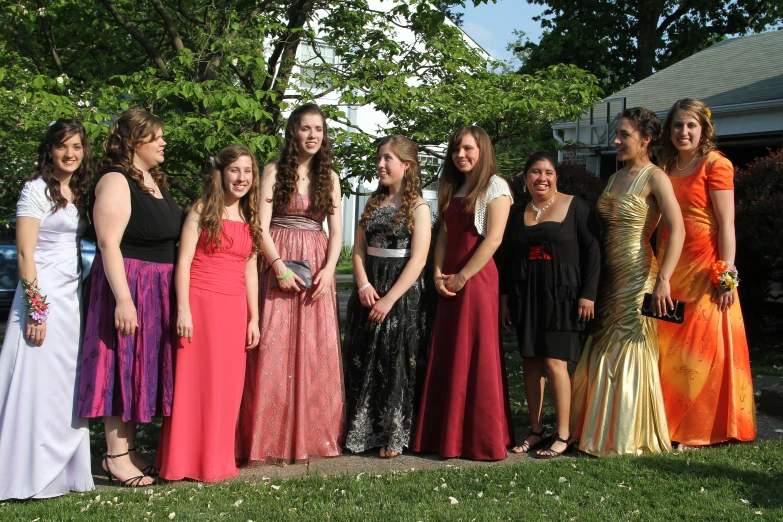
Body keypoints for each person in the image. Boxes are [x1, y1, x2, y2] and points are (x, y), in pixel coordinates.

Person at [570, 107, 685, 457]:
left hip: (638, 274)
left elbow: (677, 229)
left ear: (646, 139)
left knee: (630, 345)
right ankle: (592, 428)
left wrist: (663, 279)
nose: (616, 141)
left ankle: (625, 434)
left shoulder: (656, 177)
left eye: (624, 135)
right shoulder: (613, 178)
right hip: (608, 275)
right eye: (616, 134)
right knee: (603, 344)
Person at [77, 109, 182, 487]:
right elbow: (108, 243)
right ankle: (115, 456)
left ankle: (131, 449)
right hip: (129, 284)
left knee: (140, 367)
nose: (163, 142)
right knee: (119, 366)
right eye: (155, 136)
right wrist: (124, 298)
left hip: (157, 286)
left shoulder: (153, 180)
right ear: (134, 141)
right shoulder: (116, 180)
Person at [237, 103, 344, 464]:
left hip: (316, 264)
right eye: (305, 128)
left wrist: (330, 268)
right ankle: (268, 438)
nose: (312, 135)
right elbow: (260, 227)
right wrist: (279, 266)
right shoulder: (272, 172)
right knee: (274, 348)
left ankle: (310, 436)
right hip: (279, 261)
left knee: (315, 351)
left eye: (318, 129)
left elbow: (338, 232)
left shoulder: (330, 177)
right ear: (293, 132)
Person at [0, 120, 95, 499]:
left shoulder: (79, 191)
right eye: (62, 147)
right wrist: (37, 311)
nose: (70, 154)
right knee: (35, 383)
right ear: (49, 151)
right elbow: (25, 253)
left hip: (71, 299)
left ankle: (63, 469)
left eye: (76, 147)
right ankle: (25, 470)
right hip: (40, 299)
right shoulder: (35, 189)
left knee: (63, 384)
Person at [157, 146, 262, 481]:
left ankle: (216, 459)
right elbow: (183, 262)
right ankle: (183, 461)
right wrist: (183, 309)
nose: (242, 178)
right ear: (222, 173)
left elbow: (249, 270)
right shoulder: (202, 209)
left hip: (234, 309)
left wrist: (254, 317)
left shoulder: (251, 215)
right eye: (235, 170)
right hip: (200, 304)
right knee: (194, 384)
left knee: (226, 387)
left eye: (248, 171)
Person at [656, 98, 756, 449]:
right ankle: (667, 423)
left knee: (701, 348)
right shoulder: (665, 164)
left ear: (703, 129)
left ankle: (697, 429)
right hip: (670, 265)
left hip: (705, 270)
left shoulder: (717, 164)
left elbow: (727, 224)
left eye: (690, 126)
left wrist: (726, 276)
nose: (684, 132)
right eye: (678, 126)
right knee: (670, 347)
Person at [411, 125, 515, 461]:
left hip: (478, 278)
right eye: (456, 150)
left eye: (468, 149)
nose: (461, 155)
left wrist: (463, 277)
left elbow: (494, 238)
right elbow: (443, 235)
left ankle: (478, 439)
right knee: (450, 350)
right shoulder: (454, 186)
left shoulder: (496, 187)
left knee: (476, 352)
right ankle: (446, 436)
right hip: (450, 277)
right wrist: (438, 272)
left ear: (482, 151)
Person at [499, 151, 601, 459]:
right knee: (530, 362)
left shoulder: (576, 206)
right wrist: (505, 299)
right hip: (526, 295)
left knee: (556, 363)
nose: (542, 178)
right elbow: (507, 259)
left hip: (563, 294)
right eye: (535, 172)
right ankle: (536, 429)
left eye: (548, 172)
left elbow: (593, 252)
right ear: (526, 177)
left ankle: (564, 433)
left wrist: (589, 293)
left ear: (556, 177)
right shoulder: (518, 213)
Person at [343, 136, 431, 459]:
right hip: (369, 291)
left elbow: (419, 260)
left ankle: (393, 434)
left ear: (406, 166)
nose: (380, 165)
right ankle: (362, 431)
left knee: (395, 363)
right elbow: (357, 250)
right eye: (379, 158)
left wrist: (389, 299)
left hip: (400, 294)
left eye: (388, 159)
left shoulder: (419, 208)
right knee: (365, 358)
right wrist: (364, 285)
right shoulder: (371, 203)